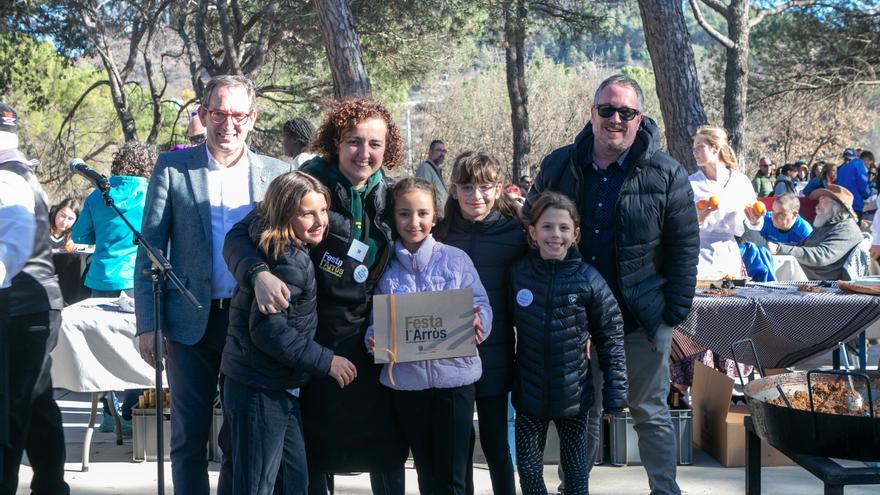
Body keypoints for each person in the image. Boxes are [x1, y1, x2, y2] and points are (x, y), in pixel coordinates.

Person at [525, 74, 699, 495]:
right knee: (581, 414)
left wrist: (670, 316)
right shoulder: (560, 164)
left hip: (640, 320)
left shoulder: (667, 173)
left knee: (650, 412)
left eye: (626, 112)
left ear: (640, 118)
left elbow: (684, 248)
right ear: (593, 113)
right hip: (575, 321)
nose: (615, 119)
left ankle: (665, 490)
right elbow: (530, 228)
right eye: (607, 110)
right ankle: (575, 489)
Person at [224, 98, 408, 494]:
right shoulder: (308, 182)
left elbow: (425, 242)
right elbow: (240, 234)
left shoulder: (392, 196)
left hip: (370, 340)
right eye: (354, 141)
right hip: (308, 341)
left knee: (384, 448)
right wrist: (257, 274)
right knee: (308, 458)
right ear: (336, 142)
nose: (365, 153)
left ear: (387, 148)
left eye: (375, 144)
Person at [133, 75, 291, 495]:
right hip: (188, 323)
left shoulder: (276, 173)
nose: (228, 123)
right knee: (188, 436)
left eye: (238, 114)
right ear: (203, 115)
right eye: (218, 112)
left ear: (252, 119)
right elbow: (150, 249)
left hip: (250, 325)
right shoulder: (173, 168)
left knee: (240, 435)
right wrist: (148, 323)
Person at [221, 171, 357, 495]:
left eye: (322, 210)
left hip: (276, 385)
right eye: (307, 213)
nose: (319, 220)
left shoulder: (285, 247)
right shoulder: (286, 260)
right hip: (259, 387)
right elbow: (269, 333)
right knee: (256, 485)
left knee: (292, 482)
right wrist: (327, 361)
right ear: (285, 214)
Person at [366, 177, 492, 495]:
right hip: (408, 386)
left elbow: (481, 306)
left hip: (454, 383)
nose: (414, 222)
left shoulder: (455, 260)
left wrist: (480, 325)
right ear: (393, 217)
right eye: (404, 213)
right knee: (426, 472)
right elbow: (375, 318)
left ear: (434, 216)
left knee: (454, 477)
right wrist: (374, 337)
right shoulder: (385, 267)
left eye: (422, 213)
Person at [510, 191, 627, 495]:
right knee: (530, 477)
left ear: (575, 234)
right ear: (533, 232)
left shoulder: (588, 279)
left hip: (574, 397)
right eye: (547, 227)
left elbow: (611, 336)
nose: (555, 235)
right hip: (528, 397)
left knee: (576, 480)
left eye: (563, 228)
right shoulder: (519, 274)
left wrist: (615, 394)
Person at [434, 151, 525, 495]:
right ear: (454, 190)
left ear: (499, 189)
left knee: (496, 443)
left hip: (496, 355)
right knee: (459, 444)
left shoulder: (515, 235)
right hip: (447, 355)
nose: (477, 196)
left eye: (486, 187)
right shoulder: (440, 232)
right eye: (467, 187)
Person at [0, 101, 70, 494]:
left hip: (23, 307)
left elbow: (9, 246)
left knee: (11, 405)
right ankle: (51, 487)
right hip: (32, 304)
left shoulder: (7, 179)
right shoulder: (17, 172)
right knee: (36, 401)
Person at [71, 141, 156, 436]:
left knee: (104, 349)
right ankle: (135, 409)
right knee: (139, 350)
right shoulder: (152, 194)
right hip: (139, 282)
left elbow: (80, 234)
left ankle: (110, 412)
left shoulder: (99, 195)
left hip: (103, 281)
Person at [689, 126, 763, 280]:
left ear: (715, 148)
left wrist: (755, 220)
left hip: (729, 253)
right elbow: (680, 225)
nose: (694, 152)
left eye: (700, 147)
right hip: (700, 253)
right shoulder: (691, 183)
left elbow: (754, 219)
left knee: (730, 299)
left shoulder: (740, 181)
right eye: (694, 148)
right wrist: (699, 218)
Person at [767, 185, 864, 280]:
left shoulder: (847, 229)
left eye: (823, 201)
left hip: (824, 286)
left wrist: (779, 249)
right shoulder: (828, 225)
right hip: (804, 276)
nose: (817, 206)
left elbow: (821, 256)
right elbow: (801, 246)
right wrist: (776, 246)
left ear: (836, 206)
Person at [835, 148, 872, 218]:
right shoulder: (860, 167)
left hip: (841, 205)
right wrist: (869, 192)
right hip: (855, 206)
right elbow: (864, 189)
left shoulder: (841, 168)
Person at [415, 139, 449, 212]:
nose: (442, 154)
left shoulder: (435, 171)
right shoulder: (425, 168)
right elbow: (422, 195)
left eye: (444, 151)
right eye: (439, 150)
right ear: (430, 152)